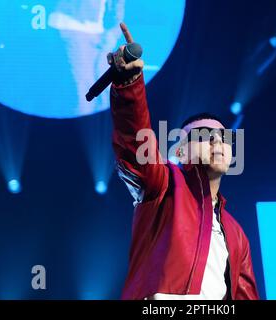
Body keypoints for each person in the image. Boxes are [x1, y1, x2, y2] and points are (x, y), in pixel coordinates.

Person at [109, 22, 259, 300]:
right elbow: (134, 141)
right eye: (204, 135)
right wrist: (129, 85)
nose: (217, 141)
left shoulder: (237, 235)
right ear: (180, 152)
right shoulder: (163, 187)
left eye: (223, 137)